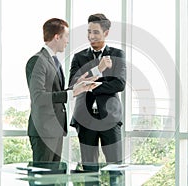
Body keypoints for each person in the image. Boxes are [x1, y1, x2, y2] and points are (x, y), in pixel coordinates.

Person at [26, 18, 97, 162]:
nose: (67, 41)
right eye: (66, 36)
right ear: (56, 37)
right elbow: (38, 97)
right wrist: (71, 93)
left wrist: (77, 86)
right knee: (42, 180)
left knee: (53, 179)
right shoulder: (37, 61)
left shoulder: (54, 61)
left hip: (55, 129)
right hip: (44, 131)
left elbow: (56, 91)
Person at [69, 13, 126, 172]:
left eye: (95, 32)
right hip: (84, 118)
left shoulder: (117, 55)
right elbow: (73, 84)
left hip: (110, 118)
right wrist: (98, 71)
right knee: (88, 170)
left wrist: (88, 85)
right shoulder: (79, 57)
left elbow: (119, 84)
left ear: (106, 33)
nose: (91, 36)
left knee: (116, 170)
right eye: (88, 32)